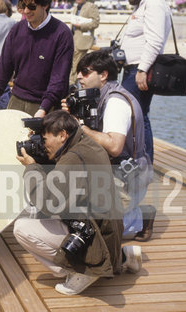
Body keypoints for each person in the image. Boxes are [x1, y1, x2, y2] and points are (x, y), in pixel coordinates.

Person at [14, 110, 142, 295]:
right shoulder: (86, 144)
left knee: (22, 227)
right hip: (107, 232)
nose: (43, 144)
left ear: (62, 135)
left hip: (94, 235)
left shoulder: (73, 157)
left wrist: (32, 168)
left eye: (45, 139)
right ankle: (121, 257)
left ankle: (82, 271)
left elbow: (47, 203)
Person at [64, 50, 155, 241]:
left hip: (128, 179)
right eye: (79, 71)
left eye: (85, 72)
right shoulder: (101, 95)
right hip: (116, 173)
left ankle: (140, 219)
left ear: (103, 75)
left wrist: (80, 127)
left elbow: (114, 146)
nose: (79, 76)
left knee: (100, 233)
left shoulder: (115, 102)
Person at [0, 0, 73, 120]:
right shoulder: (16, 30)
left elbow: (59, 79)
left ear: (45, 5)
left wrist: (43, 109)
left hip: (46, 106)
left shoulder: (62, 33)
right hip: (16, 101)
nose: (26, 11)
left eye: (32, 6)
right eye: (23, 5)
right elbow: (3, 70)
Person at [120, 0, 171, 164]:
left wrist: (142, 69)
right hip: (133, 69)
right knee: (136, 116)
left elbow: (155, 41)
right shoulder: (142, 5)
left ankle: (144, 162)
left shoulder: (153, 3)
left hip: (139, 70)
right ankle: (139, 159)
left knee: (137, 116)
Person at [69, 0, 99, 85]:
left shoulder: (91, 7)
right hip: (73, 40)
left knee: (75, 67)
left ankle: (71, 87)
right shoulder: (75, 8)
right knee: (72, 65)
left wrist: (81, 25)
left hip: (82, 42)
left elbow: (95, 23)